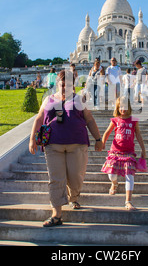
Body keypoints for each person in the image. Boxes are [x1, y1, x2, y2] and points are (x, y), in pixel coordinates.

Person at [29, 70, 103, 227]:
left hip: (77, 144)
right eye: (62, 85)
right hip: (53, 145)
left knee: (76, 176)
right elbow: (39, 118)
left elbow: (89, 119)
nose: (65, 88)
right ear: (57, 84)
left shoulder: (78, 99)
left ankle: (74, 196)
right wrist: (32, 140)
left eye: (69, 85)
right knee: (56, 179)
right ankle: (56, 214)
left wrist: (98, 139)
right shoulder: (48, 99)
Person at [101, 96, 146, 210]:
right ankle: (114, 183)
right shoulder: (115, 120)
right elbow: (107, 132)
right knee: (111, 175)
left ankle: (128, 201)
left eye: (125, 106)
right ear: (117, 107)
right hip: (115, 151)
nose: (123, 109)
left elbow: (138, 135)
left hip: (129, 152)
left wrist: (143, 150)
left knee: (129, 175)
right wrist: (102, 143)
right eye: (121, 106)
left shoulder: (134, 120)